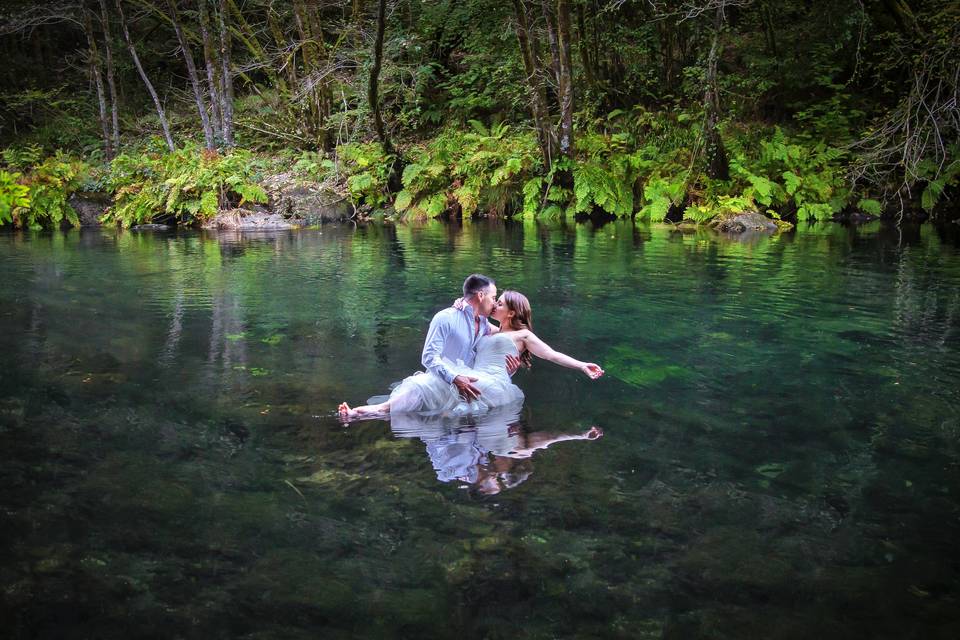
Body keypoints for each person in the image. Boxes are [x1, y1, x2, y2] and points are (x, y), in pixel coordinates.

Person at [337, 286, 604, 421]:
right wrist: (462, 302)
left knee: (448, 414)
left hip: (492, 385)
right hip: (470, 374)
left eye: (499, 304)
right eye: (494, 301)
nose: (494, 305)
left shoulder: (523, 336)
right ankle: (361, 412)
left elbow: (553, 354)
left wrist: (582, 365)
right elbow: (470, 315)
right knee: (420, 385)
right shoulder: (488, 328)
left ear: (511, 313)